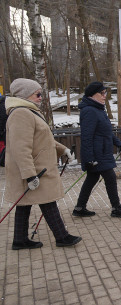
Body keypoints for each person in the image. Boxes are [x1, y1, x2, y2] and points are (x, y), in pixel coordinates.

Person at [5, 78, 81, 249]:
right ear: (26, 95)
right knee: (48, 201)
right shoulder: (20, 114)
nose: (41, 97)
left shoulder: (29, 111)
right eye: (37, 94)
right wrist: (29, 175)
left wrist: (62, 150)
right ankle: (62, 237)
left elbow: (43, 140)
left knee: (25, 204)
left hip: (38, 168)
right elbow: (20, 148)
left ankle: (20, 240)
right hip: (34, 170)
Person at [73, 81, 121, 218]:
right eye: (102, 93)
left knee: (92, 179)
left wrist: (119, 144)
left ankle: (80, 207)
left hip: (103, 151)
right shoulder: (89, 111)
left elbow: (107, 132)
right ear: (93, 95)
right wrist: (89, 159)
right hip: (97, 154)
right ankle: (116, 208)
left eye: (105, 93)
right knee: (110, 177)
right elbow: (86, 137)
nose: (105, 95)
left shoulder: (98, 109)